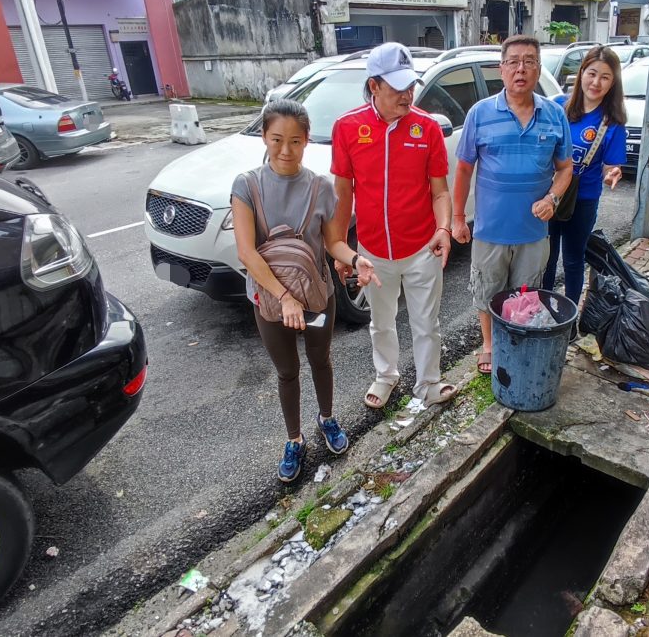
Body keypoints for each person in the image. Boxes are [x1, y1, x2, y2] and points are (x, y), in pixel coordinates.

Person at [231, 99, 379, 482]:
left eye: (295, 141)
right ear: (264, 136)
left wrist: (355, 257)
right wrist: (284, 297)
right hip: (269, 299)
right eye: (277, 139)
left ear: (307, 140)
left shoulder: (320, 187)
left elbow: (332, 244)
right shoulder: (246, 186)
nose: (285, 150)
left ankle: (327, 418)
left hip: (317, 297)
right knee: (287, 372)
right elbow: (247, 252)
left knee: (321, 359)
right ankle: (295, 439)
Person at [330, 43, 457, 409]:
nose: (407, 94)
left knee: (426, 324)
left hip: (422, 249)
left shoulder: (427, 128)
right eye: (397, 87)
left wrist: (444, 228)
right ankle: (386, 375)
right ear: (374, 86)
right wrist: (342, 250)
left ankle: (429, 383)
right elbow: (343, 195)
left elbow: (440, 192)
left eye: (410, 86)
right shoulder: (348, 128)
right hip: (373, 253)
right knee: (381, 322)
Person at [451, 34, 573, 375]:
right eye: (514, 61)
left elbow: (565, 170)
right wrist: (458, 219)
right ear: (502, 69)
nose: (521, 69)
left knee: (526, 291)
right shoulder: (480, 113)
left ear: (538, 68)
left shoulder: (554, 115)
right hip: (490, 228)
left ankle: (518, 340)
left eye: (530, 61)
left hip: (534, 231)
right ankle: (489, 345)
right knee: (488, 289)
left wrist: (552, 198)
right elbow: (463, 169)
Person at [543, 46, 628, 307]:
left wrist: (613, 172)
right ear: (581, 74)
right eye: (592, 73)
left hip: (583, 200)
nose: (596, 82)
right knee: (545, 257)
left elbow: (611, 166)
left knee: (572, 259)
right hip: (550, 195)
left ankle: (568, 319)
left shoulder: (612, 122)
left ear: (613, 82)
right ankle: (544, 313)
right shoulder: (557, 107)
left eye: (605, 77)